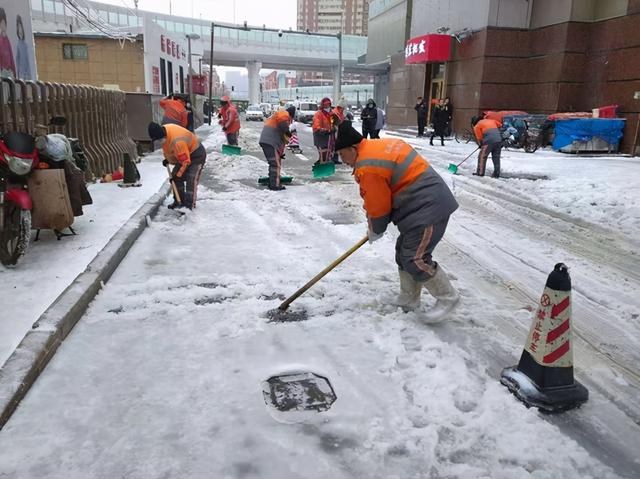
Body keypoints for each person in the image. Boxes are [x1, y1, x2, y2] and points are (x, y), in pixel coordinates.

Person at [334, 121, 460, 322]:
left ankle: (448, 297)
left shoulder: (368, 166)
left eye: (342, 154)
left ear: (353, 148)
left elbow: (378, 206)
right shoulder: (376, 147)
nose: (342, 160)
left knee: (415, 257)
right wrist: (375, 225)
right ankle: (409, 298)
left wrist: (375, 228)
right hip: (419, 205)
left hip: (428, 207)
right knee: (403, 253)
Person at [148, 122, 206, 209]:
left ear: (163, 135)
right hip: (184, 153)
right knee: (174, 177)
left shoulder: (177, 141)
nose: (159, 143)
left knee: (191, 178)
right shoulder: (165, 134)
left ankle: (189, 205)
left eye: (159, 140)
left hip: (196, 154)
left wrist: (179, 175)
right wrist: (168, 160)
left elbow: (185, 162)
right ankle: (179, 201)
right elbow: (171, 151)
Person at [259, 105, 296, 191]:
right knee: (275, 164)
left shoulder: (278, 119)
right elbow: (283, 125)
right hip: (270, 142)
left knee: (274, 163)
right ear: (291, 115)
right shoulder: (284, 114)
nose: (290, 122)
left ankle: (272, 182)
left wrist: (280, 153)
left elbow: (283, 140)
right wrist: (287, 131)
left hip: (268, 142)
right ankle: (275, 185)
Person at [312, 97, 336, 164]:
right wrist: (323, 130)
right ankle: (321, 165)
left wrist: (333, 128)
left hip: (329, 136)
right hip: (320, 135)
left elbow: (333, 123)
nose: (327, 106)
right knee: (323, 152)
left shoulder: (331, 114)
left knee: (328, 153)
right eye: (325, 105)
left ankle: (323, 164)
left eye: (328, 104)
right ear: (322, 105)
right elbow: (316, 124)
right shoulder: (319, 114)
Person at [0, 8, 16, 78]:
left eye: (3, 23)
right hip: (2, 71)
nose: (2, 26)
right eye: (0, 24)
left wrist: (14, 71)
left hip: (9, 71)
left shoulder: (7, 40)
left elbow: (11, 56)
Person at [15, 16, 31, 80]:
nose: (20, 31)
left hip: (27, 72)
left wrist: (29, 73)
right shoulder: (18, 44)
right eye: (18, 29)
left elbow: (27, 59)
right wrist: (18, 73)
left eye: (21, 28)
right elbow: (17, 59)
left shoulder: (25, 44)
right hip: (21, 73)